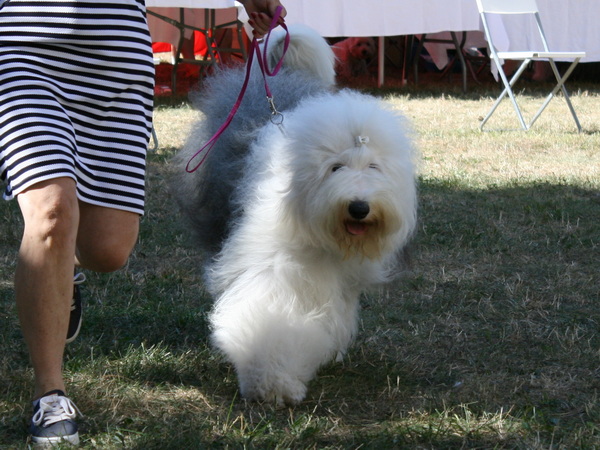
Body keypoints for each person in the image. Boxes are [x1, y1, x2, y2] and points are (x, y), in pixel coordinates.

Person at [0, 0, 286, 446]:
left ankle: (62, 270)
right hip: (26, 48)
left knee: (108, 250)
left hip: (118, 63)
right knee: (52, 213)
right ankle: (50, 393)